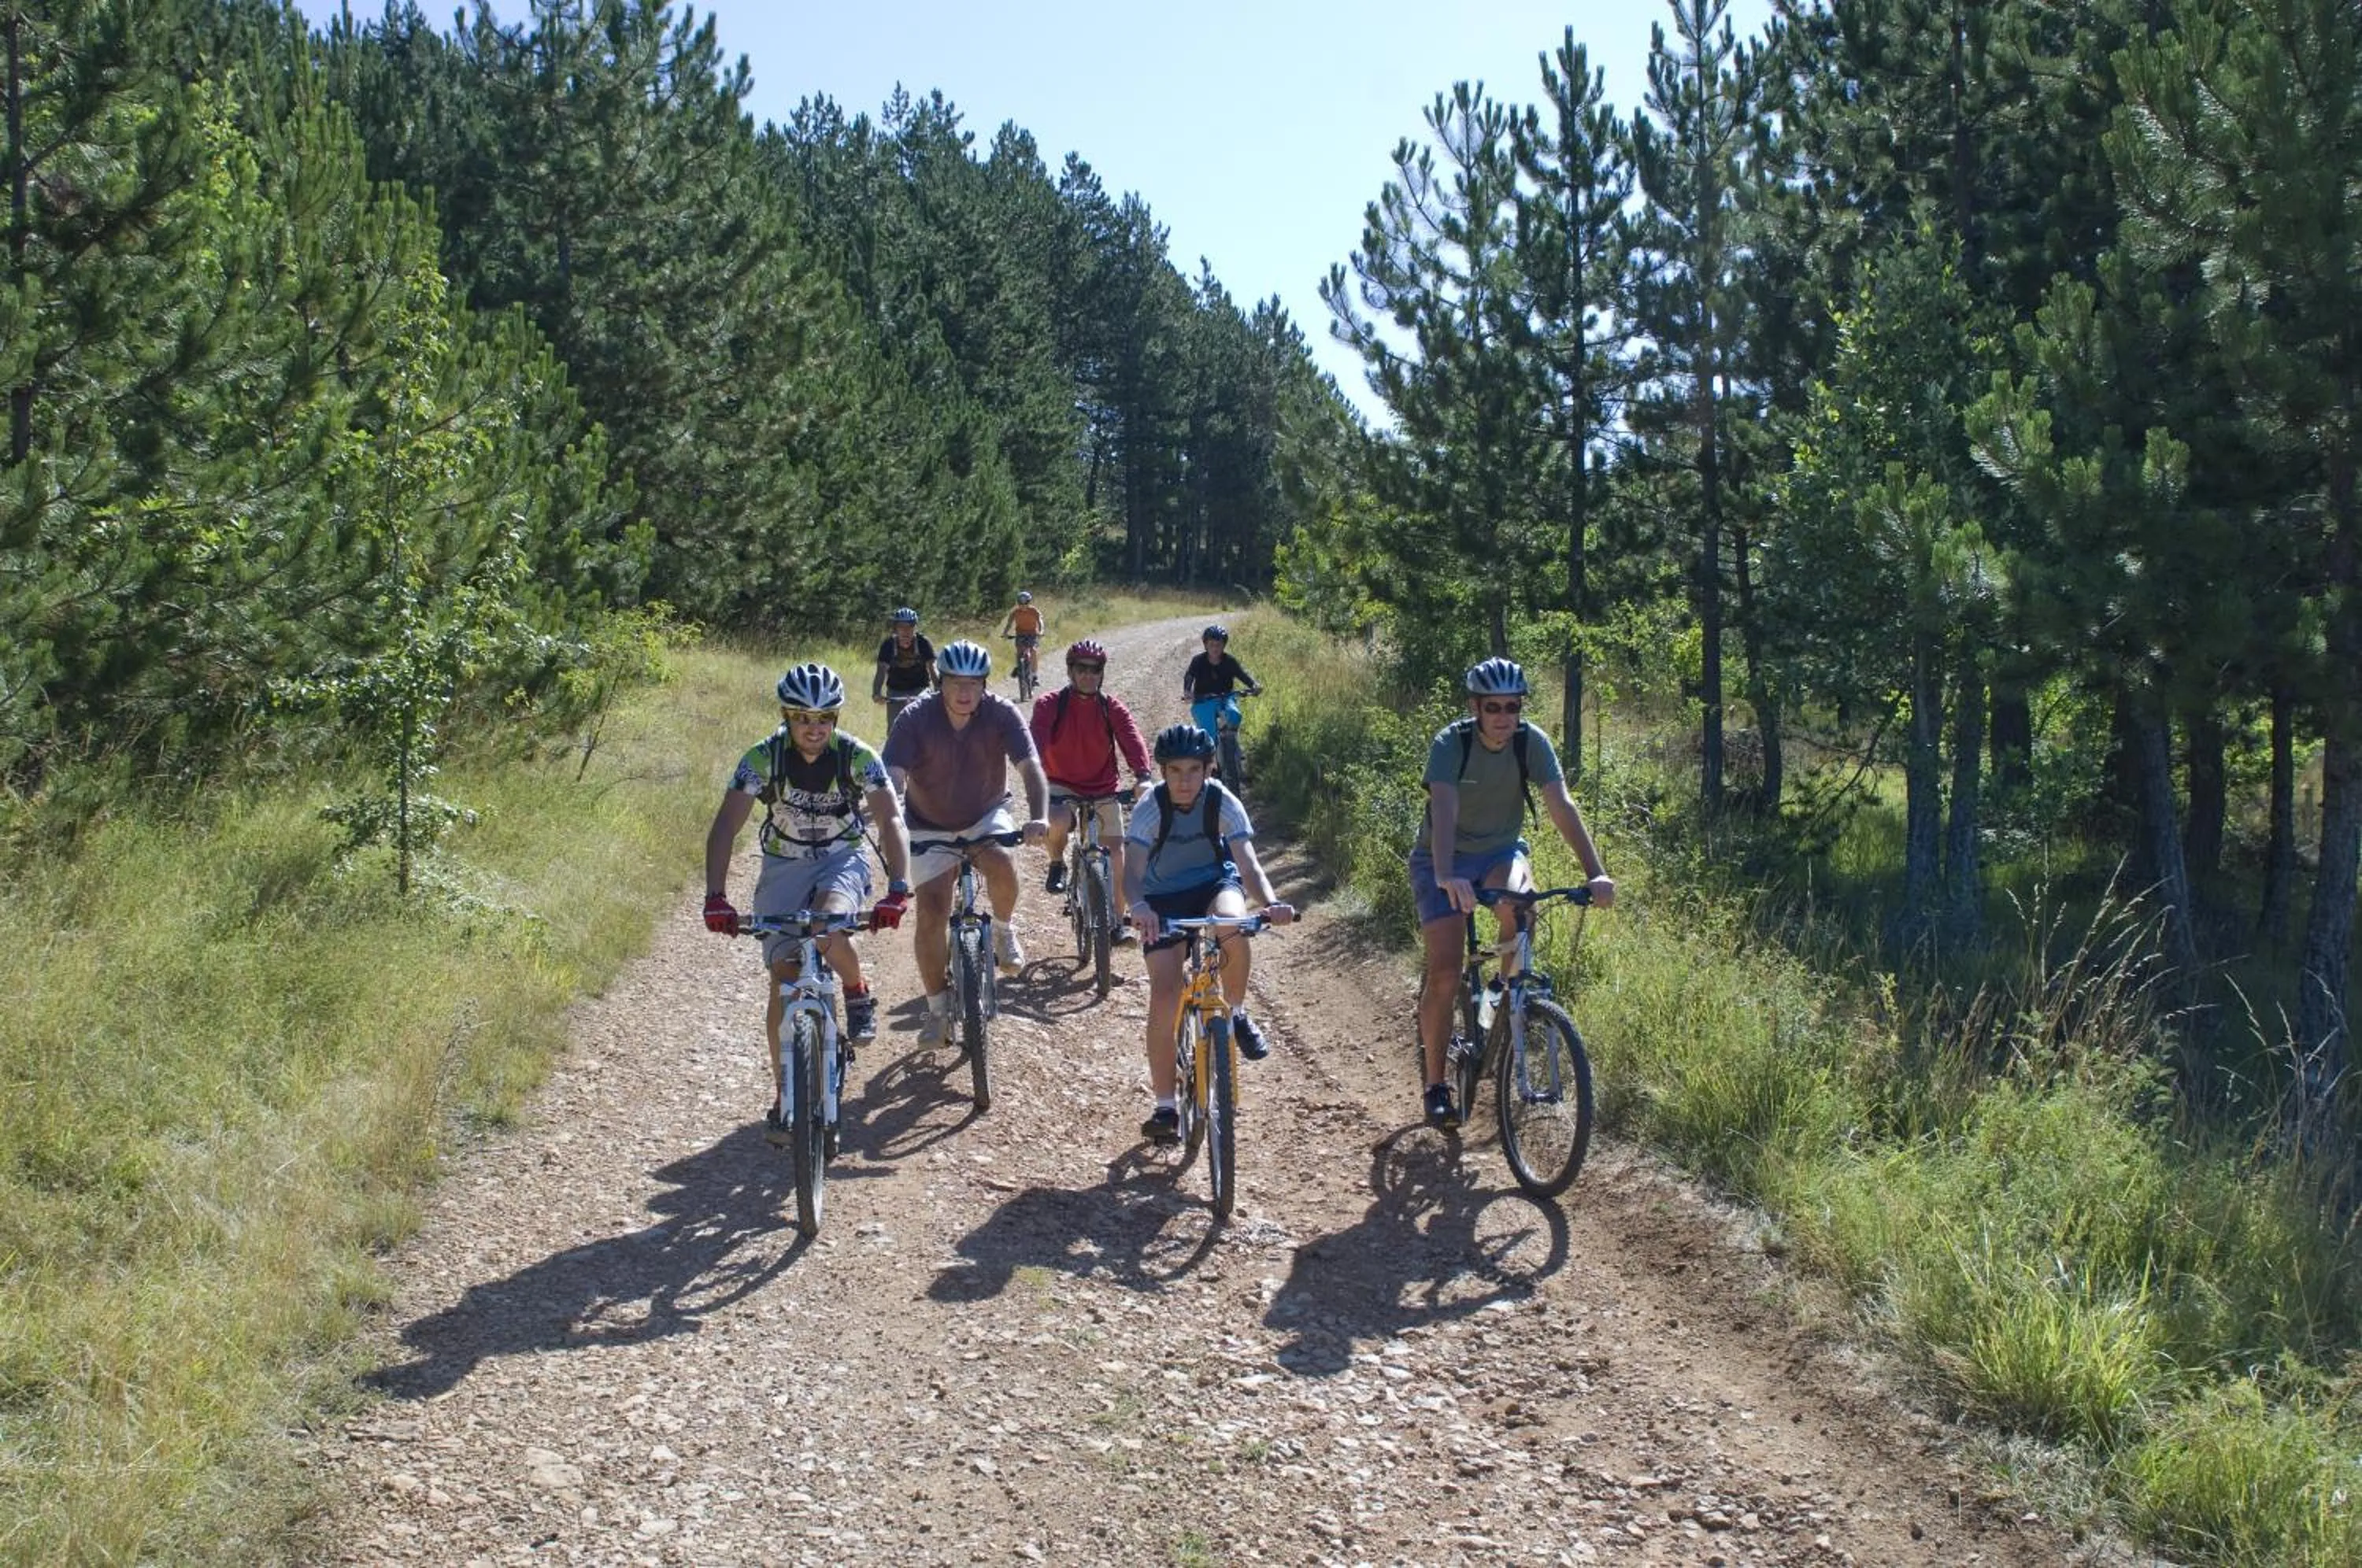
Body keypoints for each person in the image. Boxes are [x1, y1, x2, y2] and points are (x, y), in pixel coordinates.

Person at [702, 663, 913, 1144]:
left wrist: (897, 886)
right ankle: (785, 1094)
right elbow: (725, 826)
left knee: (828, 923)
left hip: (842, 857)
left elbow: (890, 820)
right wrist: (716, 896)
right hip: (783, 865)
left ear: (835, 718)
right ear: (786, 717)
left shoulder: (857, 757)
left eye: (824, 718)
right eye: (802, 718)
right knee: (784, 978)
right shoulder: (762, 758)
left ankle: (856, 989)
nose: (814, 728)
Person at [1411, 656, 1614, 1130]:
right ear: (1476, 707)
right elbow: (1443, 808)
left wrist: (1596, 873)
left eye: (1512, 706)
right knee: (1445, 971)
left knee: (1522, 905)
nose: (1504, 717)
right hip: (1443, 858)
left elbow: (1561, 805)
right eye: (1494, 707)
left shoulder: (1531, 743)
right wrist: (1446, 875)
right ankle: (1436, 1085)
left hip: (1500, 852)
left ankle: (1504, 994)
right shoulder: (1451, 744)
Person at [1124, 723, 1295, 1145]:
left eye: (1193, 770)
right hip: (1162, 899)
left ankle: (1234, 1013)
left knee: (1233, 925)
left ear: (1209, 769)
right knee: (1164, 994)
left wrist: (1270, 903)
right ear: (1163, 772)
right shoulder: (1150, 807)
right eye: (1175, 770)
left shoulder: (1223, 802)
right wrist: (1140, 907)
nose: (1184, 780)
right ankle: (1165, 1106)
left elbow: (1248, 863)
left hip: (1214, 887)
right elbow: (1131, 872)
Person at [881, 638, 1050, 1042]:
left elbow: (1030, 769)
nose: (963, 692)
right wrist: (890, 808)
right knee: (932, 910)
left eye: (973, 683)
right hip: (928, 822)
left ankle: (1004, 930)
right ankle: (938, 1010)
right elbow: (895, 775)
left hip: (985, 813)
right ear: (940, 681)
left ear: (985, 685)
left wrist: (1040, 816)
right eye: (955, 682)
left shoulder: (1001, 713)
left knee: (1002, 863)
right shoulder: (915, 717)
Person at [1031, 638, 1155, 945]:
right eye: (1082, 669)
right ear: (1071, 671)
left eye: (1095, 669)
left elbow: (1132, 739)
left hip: (1102, 787)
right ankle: (1057, 862)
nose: (1089, 675)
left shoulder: (1110, 707)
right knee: (1057, 819)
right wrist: (1033, 773)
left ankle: (1116, 923)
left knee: (1115, 852)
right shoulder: (1050, 704)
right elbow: (1035, 741)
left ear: (1102, 672)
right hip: (1060, 782)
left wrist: (1142, 776)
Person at [1181, 623, 1261, 762]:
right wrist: (1187, 691)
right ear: (1205, 645)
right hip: (1203, 700)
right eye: (1211, 644)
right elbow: (1189, 676)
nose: (1215, 648)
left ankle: (1234, 743)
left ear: (1224, 645)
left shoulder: (1230, 661)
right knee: (1208, 733)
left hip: (1226, 698)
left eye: (1218, 644)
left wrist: (1254, 685)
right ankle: (1208, 761)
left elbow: (1242, 675)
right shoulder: (1198, 661)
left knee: (1235, 715)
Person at [872, 608, 936, 729]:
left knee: (925, 726)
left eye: (910, 627)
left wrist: (939, 690)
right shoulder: (888, 645)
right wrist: (876, 693)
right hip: (896, 691)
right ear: (896, 628)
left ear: (915, 628)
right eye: (902, 627)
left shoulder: (923, 643)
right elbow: (881, 672)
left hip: (920, 689)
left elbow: (932, 669)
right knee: (894, 729)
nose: (906, 631)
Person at [999, 590, 1046, 690]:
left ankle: (1034, 676)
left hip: (1032, 634)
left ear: (1029, 603)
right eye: (1021, 604)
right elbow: (1009, 624)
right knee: (1019, 652)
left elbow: (1040, 621)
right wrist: (1005, 633)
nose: (1023, 606)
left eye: (1026, 604)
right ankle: (1019, 667)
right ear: (1018, 603)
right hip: (1020, 634)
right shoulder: (1015, 612)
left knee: (1033, 651)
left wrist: (1041, 631)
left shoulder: (1034, 611)